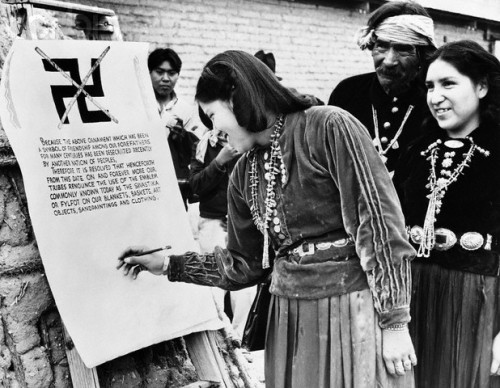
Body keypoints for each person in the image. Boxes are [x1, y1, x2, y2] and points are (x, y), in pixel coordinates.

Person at [118, 50, 417, 387]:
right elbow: (243, 264)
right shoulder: (242, 173)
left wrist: (395, 322)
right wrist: (168, 265)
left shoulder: (328, 125)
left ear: (237, 96)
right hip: (289, 317)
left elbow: (378, 223)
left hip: (353, 309)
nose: (213, 131)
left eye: (213, 115)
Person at [393, 40, 500, 388]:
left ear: (482, 86)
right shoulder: (415, 150)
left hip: (477, 301)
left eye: (448, 83)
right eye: (429, 86)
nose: (435, 96)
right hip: (411, 299)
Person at [329, 0, 436, 174]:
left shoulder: (433, 101)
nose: (389, 61)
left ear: (422, 56)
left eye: (403, 49)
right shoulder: (347, 93)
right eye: (382, 46)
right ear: (371, 46)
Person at [189, 117, 256, 341]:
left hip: (244, 223)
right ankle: (220, 336)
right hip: (213, 223)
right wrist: (219, 161)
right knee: (215, 281)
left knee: (246, 285)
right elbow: (196, 186)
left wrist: (245, 218)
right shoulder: (204, 144)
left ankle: (238, 336)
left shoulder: (251, 140)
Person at [148, 47, 202, 207]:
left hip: (175, 184)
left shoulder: (185, 110)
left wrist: (181, 136)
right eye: (159, 72)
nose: (165, 78)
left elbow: (196, 151)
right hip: (146, 181)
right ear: (149, 73)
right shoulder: (141, 106)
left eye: (171, 73)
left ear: (178, 75)